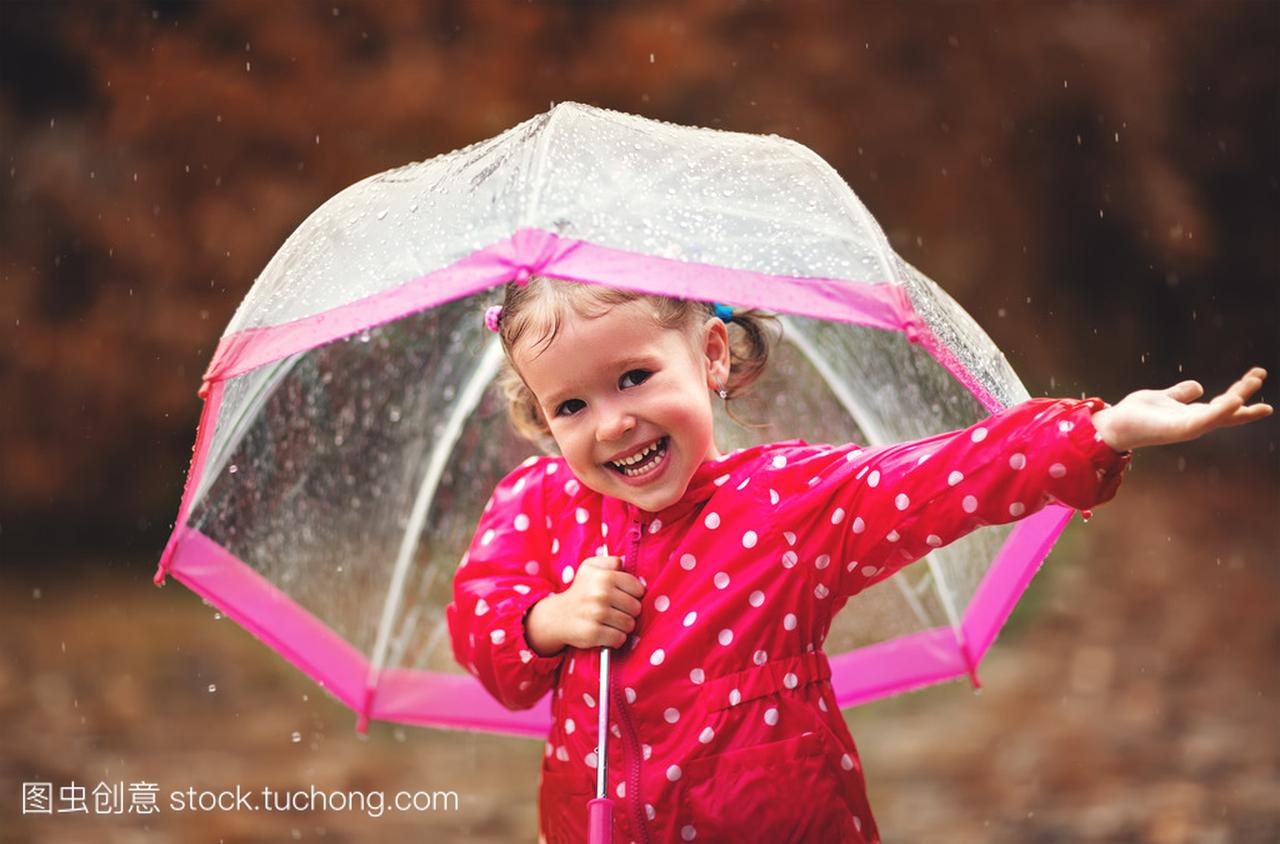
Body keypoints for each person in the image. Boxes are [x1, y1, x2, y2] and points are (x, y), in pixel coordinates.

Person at [446, 276, 1270, 843]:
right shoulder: (538, 506)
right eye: (572, 405)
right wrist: (547, 622)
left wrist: (1100, 431)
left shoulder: (786, 503)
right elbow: (487, 641)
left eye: (634, 376)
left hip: (781, 821)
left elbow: (944, 477)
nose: (613, 423)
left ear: (711, 356)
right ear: (541, 415)